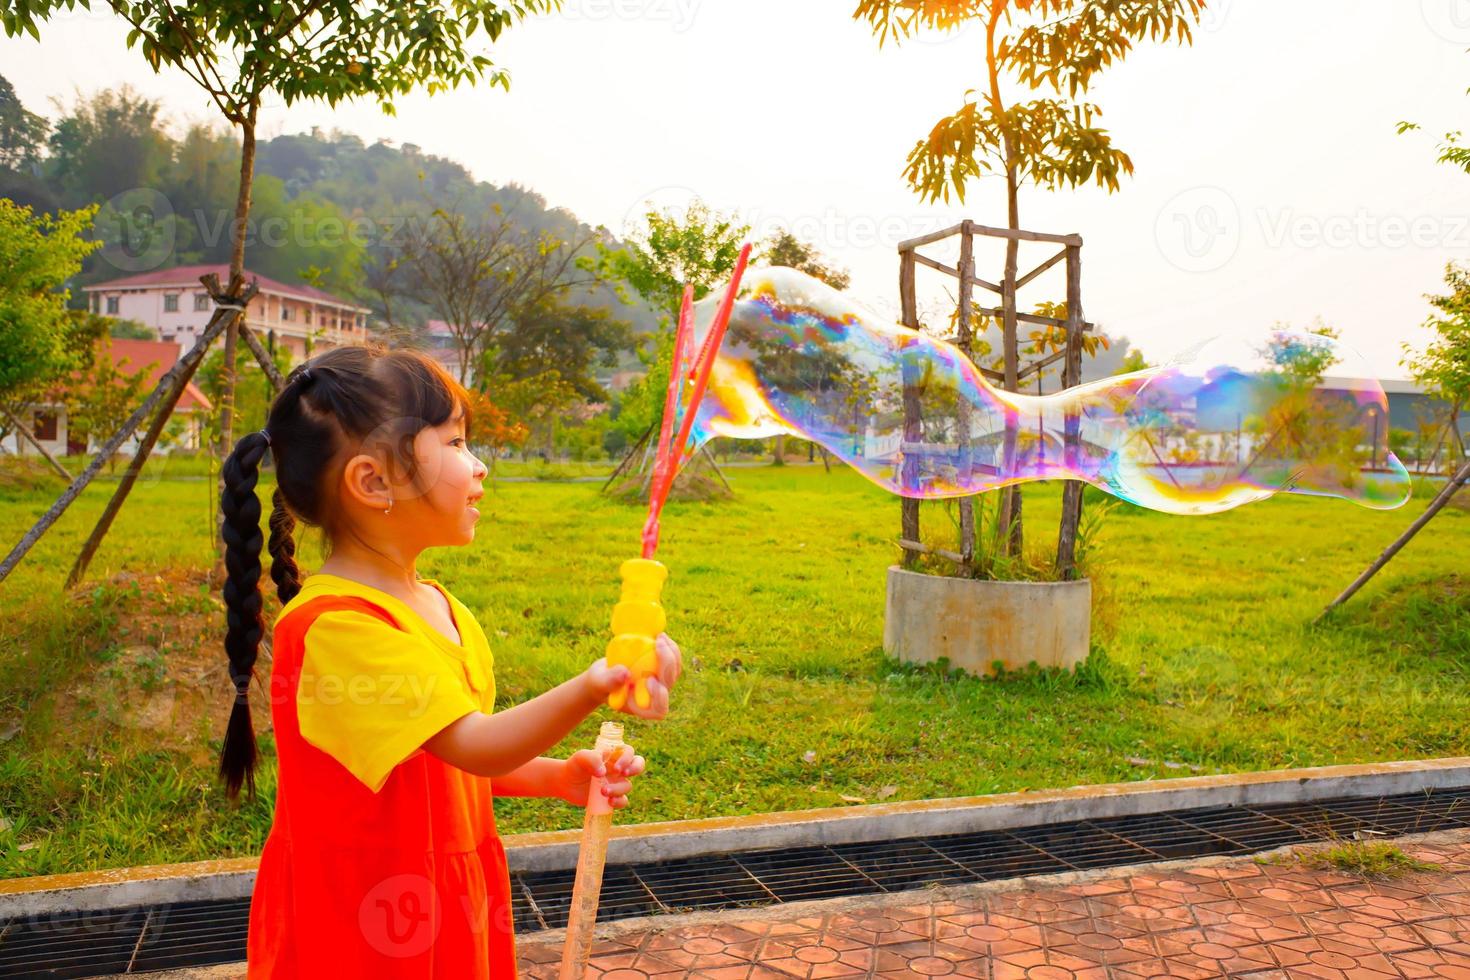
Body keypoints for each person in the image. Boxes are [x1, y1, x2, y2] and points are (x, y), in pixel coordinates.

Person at [216, 345, 680, 978]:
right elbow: (478, 744)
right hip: (366, 925)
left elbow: (443, 767)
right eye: (456, 443)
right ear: (374, 481)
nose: (480, 465)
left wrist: (554, 777)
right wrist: (599, 682)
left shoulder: (441, 607)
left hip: (449, 899)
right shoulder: (339, 629)